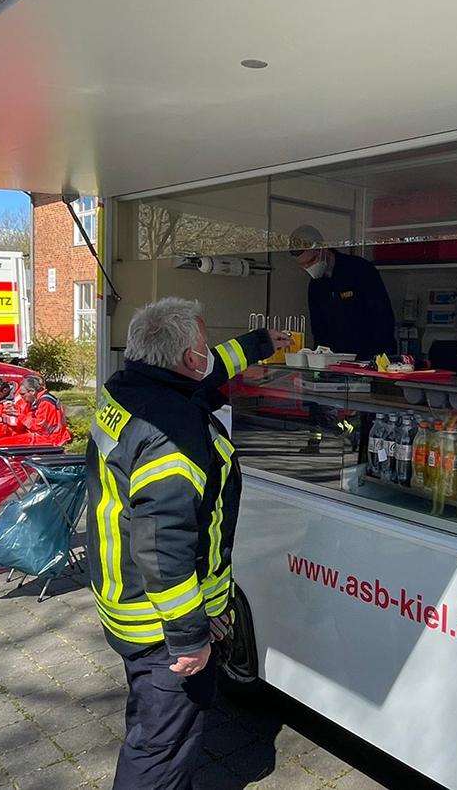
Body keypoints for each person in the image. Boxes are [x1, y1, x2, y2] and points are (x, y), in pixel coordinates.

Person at [84, 297, 289, 789]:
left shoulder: (130, 387)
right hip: (160, 626)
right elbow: (164, 547)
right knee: (161, 748)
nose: (207, 354)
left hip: (124, 597)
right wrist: (189, 637)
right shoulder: (170, 436)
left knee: (151, 724)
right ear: (186, 359)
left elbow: (207, 367)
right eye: (203, 346)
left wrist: (260, 344)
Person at [289, 224, 396, 360]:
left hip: (369, 357)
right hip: (333, 362)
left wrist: (378, 360)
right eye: (302, 265)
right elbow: (318, 330)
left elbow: (383, 318)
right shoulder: (316, 285)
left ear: (323, 249)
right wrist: (319, 360)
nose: (308, 267)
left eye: (311, 261)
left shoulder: (359, 270)